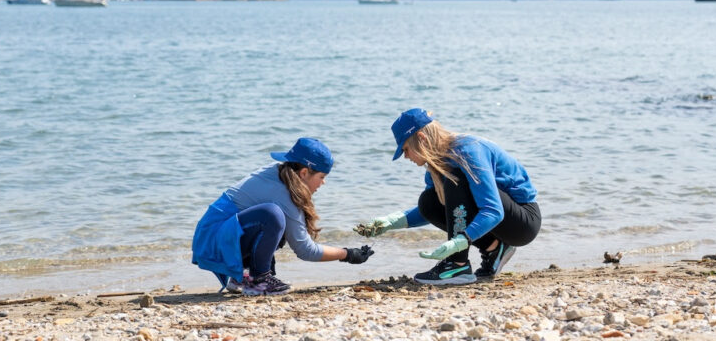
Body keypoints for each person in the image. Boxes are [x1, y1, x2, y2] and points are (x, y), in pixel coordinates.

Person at [357, 108, 541, 285]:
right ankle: (494, 248)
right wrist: (392, 222)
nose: (406, 157)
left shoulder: (468, 151)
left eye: (405, 149)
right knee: (428, 201)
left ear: (420, 138)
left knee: (455, 178)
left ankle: (457, 266)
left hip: (523, 221)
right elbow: (436, 208)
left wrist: (462, 240)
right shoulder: (436, 163)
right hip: (501, 221)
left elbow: (493, 211)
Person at [193, 137, 374, 296]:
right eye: (322, 176)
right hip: (212, 241)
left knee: (277, 222)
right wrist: (348, 254)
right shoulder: (283, 194)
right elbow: (305, 250)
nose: (323, 182)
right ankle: (259, 281)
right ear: (304, 173)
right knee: (272, 216)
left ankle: (242, 278)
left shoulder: (280, 174)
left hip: (214, 238)